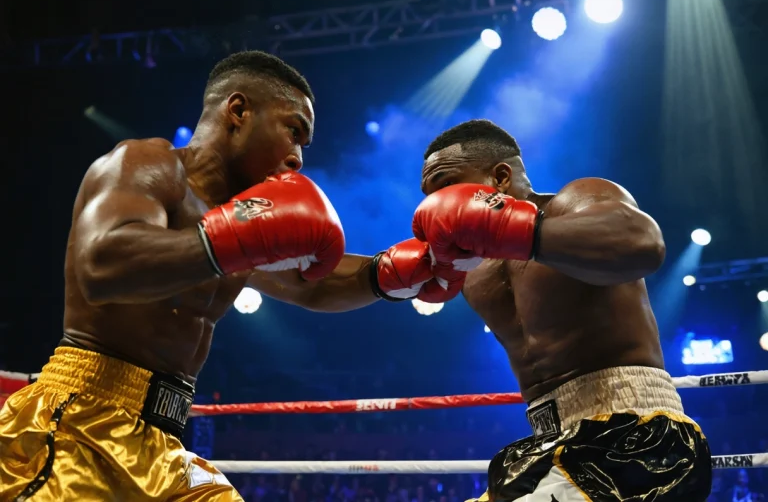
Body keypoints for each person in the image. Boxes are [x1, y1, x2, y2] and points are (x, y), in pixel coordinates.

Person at [0, 51, 460, 501]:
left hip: (162, 444)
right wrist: (232, 236)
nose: (298, 157)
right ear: (238, 111)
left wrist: (401, 271)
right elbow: (101, 265)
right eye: (293, 131)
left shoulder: (242, 216)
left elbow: (313, 282)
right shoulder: (145, 166)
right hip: (78, 424)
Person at [413, 119, 712, 501]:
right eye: (426, 195)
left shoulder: (574, 205)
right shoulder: (470, 267)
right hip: (547, 446)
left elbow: (642, 243)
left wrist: (518, 230)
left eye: (444, 186)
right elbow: (348, 282)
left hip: (636, 439)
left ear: (500, 178)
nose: (433, 203)